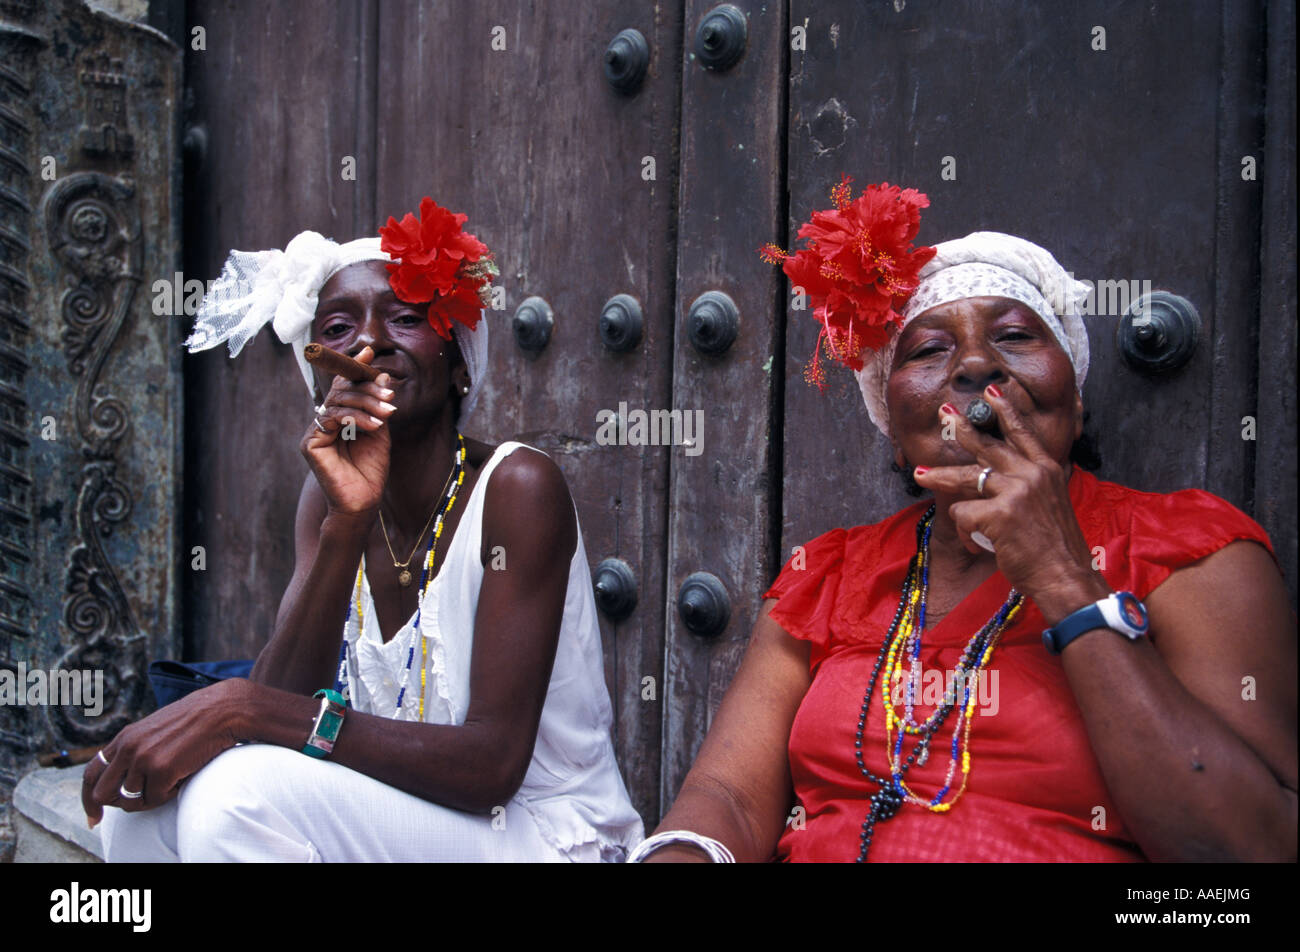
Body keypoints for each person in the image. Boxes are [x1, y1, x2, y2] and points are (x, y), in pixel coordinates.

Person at [631, 181, 1296, 863]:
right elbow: (728, 797)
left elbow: (1251, 850)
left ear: (1075, 407)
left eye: (1014, 335)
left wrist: (1065, 580)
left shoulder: (1190, 551)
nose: (977, 364)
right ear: (895, 431)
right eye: (927, 351)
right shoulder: (825, 576)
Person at [87, 198, 644, 862]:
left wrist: (243, 708)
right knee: (139, 815)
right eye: (339, 327)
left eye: (406, 319)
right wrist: (347, 524)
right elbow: (282, 700)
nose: (371, 343)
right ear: (319, 374)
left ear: (460, 362)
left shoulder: (518, 489)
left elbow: (491, 768)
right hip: (421, 819)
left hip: (539, 833)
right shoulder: (324, 501)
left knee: (236, 794)